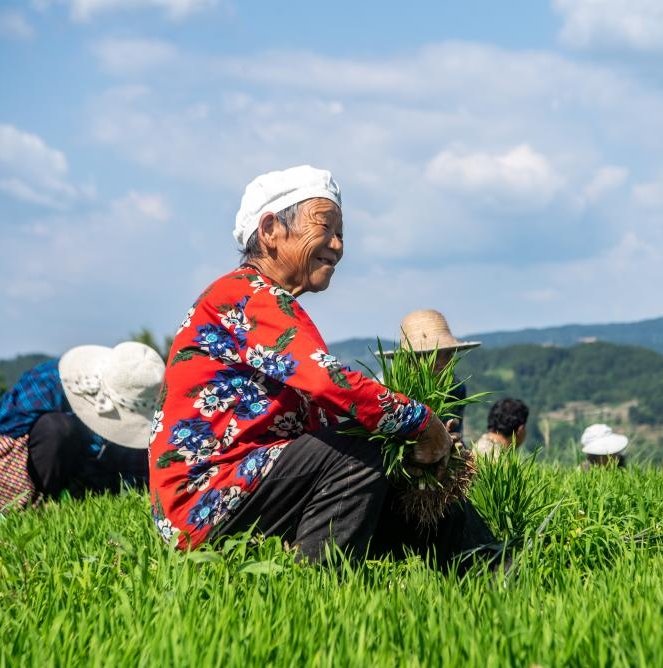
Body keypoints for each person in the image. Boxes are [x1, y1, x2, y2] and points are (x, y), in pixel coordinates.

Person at [149, 166, 495, 568]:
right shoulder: (247, 296)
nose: (337, 244)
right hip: (207, 500)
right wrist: (418, 422)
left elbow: (325, 412)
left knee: (386, 465)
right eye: (325, 227)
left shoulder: (263, 301)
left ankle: (490, 566)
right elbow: (330, 383)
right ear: (270, 230)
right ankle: (314, 584)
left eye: (341, 233)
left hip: (243, 486)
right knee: (362, 453)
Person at [0, 342, 164, 510]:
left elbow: (139, 470)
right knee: (56, 428)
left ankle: (80, 501)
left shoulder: (141, 398)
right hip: (41, 467)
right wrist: (15, 501)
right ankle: (34, 507)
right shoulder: (48, 382)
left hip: (93, 471)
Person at [384, 309, 481, 439]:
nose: (447, 361)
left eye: (449, 353)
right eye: (435, 355)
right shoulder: (388, 387)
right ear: (413, 359)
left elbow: (456, 433)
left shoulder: (455, 388)